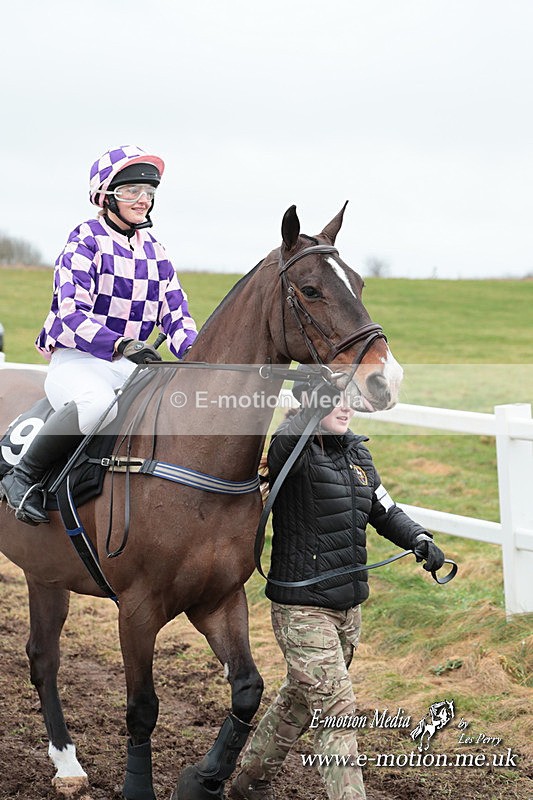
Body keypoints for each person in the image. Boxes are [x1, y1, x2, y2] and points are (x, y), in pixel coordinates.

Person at [229, 373, 447, 800]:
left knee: (299, 700)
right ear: (312, 403)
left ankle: (245, 785)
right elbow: (291, 431)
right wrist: (313, 395)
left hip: (348, 609)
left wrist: (420, 538)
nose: (346, 407)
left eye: (349, 399)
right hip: (301, 609)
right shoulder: (291, 448)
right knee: (337, 709)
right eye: (335, 400)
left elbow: (384, 510)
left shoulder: (359, 455)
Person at [0, 144, 197, 526]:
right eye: (131, 191)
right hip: (79, 360)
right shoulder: (85, 240)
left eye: (149, 193)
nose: (142, 200)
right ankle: (21, 477)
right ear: (105, 196)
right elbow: (71, 313)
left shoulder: (157, 252)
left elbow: (176, 315)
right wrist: (121, 344)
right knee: (95, 406)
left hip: (131, 366)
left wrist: (199, 355)